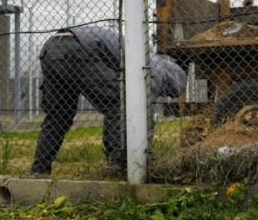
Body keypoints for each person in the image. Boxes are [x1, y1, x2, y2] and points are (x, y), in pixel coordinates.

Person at [30, 26, 187, 176]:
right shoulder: (155, 71)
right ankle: (118, 164)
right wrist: (145, 150)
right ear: (171, 83)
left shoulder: (149, 58)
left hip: (51, 48)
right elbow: (145, 114)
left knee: (59, 116)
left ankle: (39, 170)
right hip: (79, 48)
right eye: (166, 93)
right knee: (118, 103)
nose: (162, 95)